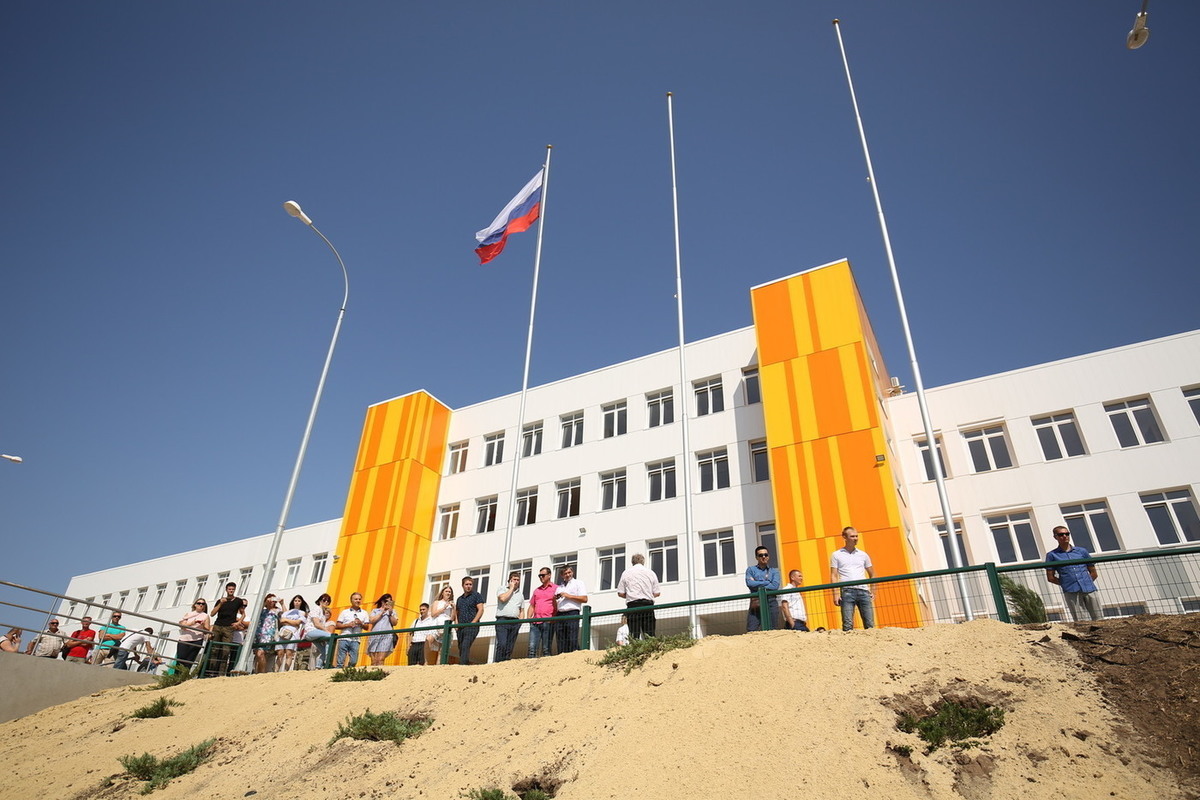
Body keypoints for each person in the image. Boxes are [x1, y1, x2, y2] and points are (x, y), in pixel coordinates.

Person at [1046, 526, 1102, 622]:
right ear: (1055, 537)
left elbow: (1093, 572)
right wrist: (1066, 583)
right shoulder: (1052, 555)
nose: (1065, 536)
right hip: (1071, 591)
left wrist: (1086, 581)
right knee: (1081, 621)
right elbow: (1050, 577)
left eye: (1067, 534)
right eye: (1061, 534)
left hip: (1089, 589)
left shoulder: (1082, 551)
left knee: (1099, 618)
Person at [831, 526, 875, 630]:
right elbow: (834, 575)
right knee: (847, 624)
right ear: (844, 537)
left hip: (864, 591)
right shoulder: (836, 555)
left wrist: (873, 591)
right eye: (852, 536)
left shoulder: (863, 555)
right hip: (847, 591)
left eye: (856, 536)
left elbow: (872, 573)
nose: (855, 538)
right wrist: (836, 594)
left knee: (869, 624)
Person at [616, 553, 660, 640]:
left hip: (633, 606)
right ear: (643, 561)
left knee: (634, 634)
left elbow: (620, 593)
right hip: (648, 605)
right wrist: (647, 593)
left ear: (632, 562)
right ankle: (651, 651)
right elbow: (657, 593)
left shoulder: (626, 573)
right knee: (649, 633)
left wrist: (630, 595)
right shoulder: (651, 573)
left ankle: (635, 651)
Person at [210, 582, 247, 676]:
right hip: (218, 626)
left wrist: (238, 622)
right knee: (215, 649)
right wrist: (220, 604)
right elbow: (212, 613)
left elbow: (243, 613)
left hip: (229, 628)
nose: (231, 591)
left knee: (226, 651)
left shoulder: (238, 601)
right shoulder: (220, 600)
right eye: (229, 589)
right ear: (226, 590)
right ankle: (211, 672)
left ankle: (221, 674)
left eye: (233, 589)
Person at [746, 546, 781, 631]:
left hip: (771, 601)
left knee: (773, 630)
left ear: (768, 556)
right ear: (756, 557)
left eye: (765, 554)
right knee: (752, 630)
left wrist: (757, 583)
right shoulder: (751, 570)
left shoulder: (774, 571)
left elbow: (775, 586)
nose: (763, 557)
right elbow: (750, 583)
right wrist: (767, 582)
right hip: (756, 601)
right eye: (761, 555)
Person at [554, 565, 588, 654]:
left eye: (569, 572)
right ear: (562, 575)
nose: (568, 575)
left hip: (572, 613)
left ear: (572, 572)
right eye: (565, 573)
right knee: (561, 641)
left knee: (572, 639)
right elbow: (555, 602)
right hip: (560, 614)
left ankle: (577, 658)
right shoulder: (559, 587)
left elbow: (584, 599)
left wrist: (568, 596)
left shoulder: (578, 583)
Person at [525, 567, 557, 659]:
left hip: (548, 622)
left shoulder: (556, 588)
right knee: (531, 648)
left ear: (549, 575)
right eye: (539, 575)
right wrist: (529, 617)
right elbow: (532, 605)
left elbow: (558, 604)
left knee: (546, 648)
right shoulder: (537, 590)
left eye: (543, 575)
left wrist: (553, 618)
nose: (541, 577)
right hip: (535, 623)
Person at [494, 572, 525, 663]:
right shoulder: (502, 589)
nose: (516, 581)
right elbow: (503, 599)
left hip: (515, 622)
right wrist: (511, 588)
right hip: (502, 620)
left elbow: (522, 610)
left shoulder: (520, 595)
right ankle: (498, 663)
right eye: (514, 579)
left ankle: (506, 663)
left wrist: (520, 622)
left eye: (518, 580)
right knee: (502, 644)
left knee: (510, 646)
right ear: (510, 580)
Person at [333, 592, 369, 668]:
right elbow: (337, 625)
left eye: (359, 599)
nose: (358, 601)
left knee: (353, 661)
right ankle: (338, 675)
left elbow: (367, 627)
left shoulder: (364, 613)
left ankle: (348, 673)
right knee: (340, 661)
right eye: (355, 599)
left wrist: (360, 623)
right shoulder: (344, 612)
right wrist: (348, 625)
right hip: (344, 637)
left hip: (356, 639)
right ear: (351, 600)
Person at [455, 577, 485, 665]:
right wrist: (456, 624)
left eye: (470, 584)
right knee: (461, 647)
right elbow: (456, 613)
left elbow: (481, 609)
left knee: (465, 645)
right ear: (462, 585)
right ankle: (464, 664)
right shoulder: (459, 599)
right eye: (466, 584)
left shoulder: (477, 595)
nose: (468, 586)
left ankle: (463, 666)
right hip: (460, 627)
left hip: (472, 627)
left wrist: (473, 622)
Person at [277, 595, 309, 671]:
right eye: (295, 600)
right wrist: (291, 622)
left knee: (289, 653)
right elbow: (282, 620)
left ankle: (285, 671)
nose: (297, 602)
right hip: (283, 632)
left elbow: (297, 623)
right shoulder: (288, 612)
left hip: (293, 633)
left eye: (299, 601)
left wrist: (287, 620)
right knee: (280, 653)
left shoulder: (302, 612)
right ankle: (276, 671)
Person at [303, 593, 335, 669]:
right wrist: (326, 631)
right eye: (324, 600)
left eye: (328, 601)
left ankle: (318, 666)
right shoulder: (317, 609)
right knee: (330, 636)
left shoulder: (323, 613)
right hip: (310, 631)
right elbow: (316, 624)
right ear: (320, 601)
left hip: (315, 633)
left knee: (323, 651)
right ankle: (327, 661)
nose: (326, 602)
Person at [253, 594, 281, 673]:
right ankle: (257, 672)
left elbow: (285, 615)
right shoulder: (262, 610)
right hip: (258, 634)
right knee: (258, 655)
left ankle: (262, 673)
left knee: (260, 653)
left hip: (268, 635)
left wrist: (282, 603)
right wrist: (264, 603)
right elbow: (256, 612)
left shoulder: (276, 610)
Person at [367, 593, 398, 666]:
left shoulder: (393, 612)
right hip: (374, 635)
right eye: (386, 601)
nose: (387, 603)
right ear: (382, 601)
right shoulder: (375, 611)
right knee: (373, 660)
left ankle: (379, 673)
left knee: (380, 659)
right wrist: (382, 612)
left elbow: (395, 623)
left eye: (390, 601)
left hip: (386, 636)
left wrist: (390, 613)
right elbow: (372, 621)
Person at [427, 586, 455, 663]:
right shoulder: (437, 602)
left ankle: (438, 665)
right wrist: (444, 608)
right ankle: (426, 662)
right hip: (436, 624)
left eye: (449, 592)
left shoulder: (451, 604)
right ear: (442, 592)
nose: (448, 593)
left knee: (442, 649)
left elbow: (452, 618)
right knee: (429, 640)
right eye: (446, 591)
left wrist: (454, 608)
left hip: (446, 626)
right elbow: (433, 614)